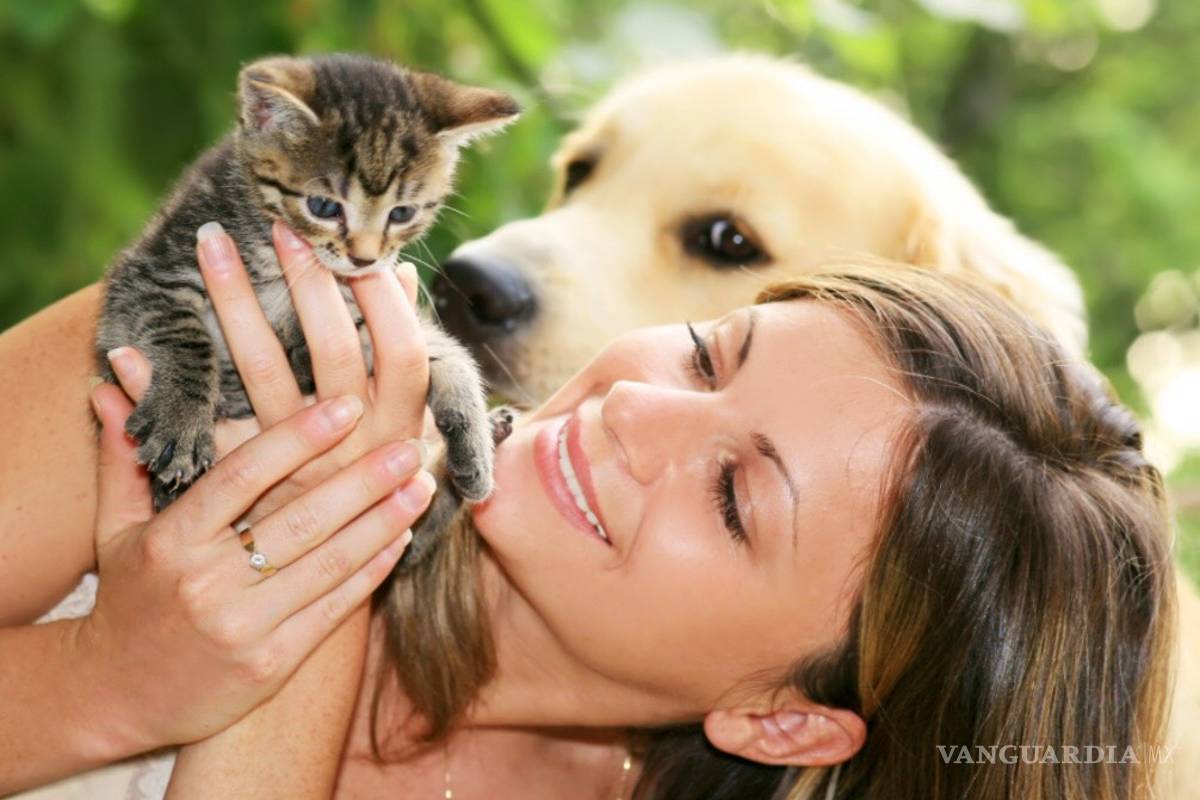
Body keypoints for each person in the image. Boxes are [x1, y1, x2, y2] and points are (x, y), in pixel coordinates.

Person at [0, 225, 1175, 800]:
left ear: (784, 720)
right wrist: (102, 680)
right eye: (713, 353)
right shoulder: (255, 379)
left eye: (733, 496)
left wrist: (181, 699)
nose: (639, 410)